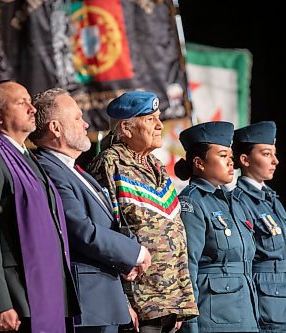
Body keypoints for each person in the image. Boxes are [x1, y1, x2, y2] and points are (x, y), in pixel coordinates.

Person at [0, 80, 79, 333]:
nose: (32, 108)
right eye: (21, 102)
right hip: (17, 297)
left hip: (45, 294)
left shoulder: (29, 159)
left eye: (30, 101)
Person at [28, 88, 152, 333]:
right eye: (76, 118)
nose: (85, 124)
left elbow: (108, 223)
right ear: (55, 128)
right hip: (88, 304)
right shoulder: (48, 169)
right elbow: (79, 230)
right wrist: (135, 252)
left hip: (105, 300)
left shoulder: (72, 169)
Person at [87, 91, 199, 333]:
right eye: (150, 119)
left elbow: (173, 233)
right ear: (126, 128)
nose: (160, 125)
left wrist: (177, 302)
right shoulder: (109, 164)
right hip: (137, 306)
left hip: (167, 303)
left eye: (158, 118)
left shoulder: (157, 166)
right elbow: (106, 237)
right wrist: (122, 301)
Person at [174, 121, 259, 333]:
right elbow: (187, 268)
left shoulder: (233, 202)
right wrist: (189, 326)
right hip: (213, 320)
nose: (230, 162)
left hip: (244, 316)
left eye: (231, 157)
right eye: (222, 156)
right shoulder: (192, 202)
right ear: (199, 163)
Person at [231, 121, 286, 333]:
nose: (275, 161)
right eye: (266, 153)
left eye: (274, 154)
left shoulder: (272, 199)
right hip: (265, 306)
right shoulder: (239, 201)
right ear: (245, 159)